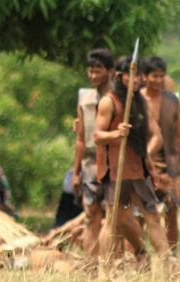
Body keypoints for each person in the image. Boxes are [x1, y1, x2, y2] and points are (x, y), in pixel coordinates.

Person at [94, 57, 171, 262]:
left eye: (138, 75)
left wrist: (151, 168)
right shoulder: (108, 101)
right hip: (116, 170)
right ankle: (106, 269)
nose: (136, 79)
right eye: (131, 75)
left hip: (138, 169)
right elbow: (97, 136)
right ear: (120, 77)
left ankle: (168, 262)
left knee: (153, 217)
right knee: (112, 220)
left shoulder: (140, 102)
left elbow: (149, 138)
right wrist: (115, 134)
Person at [141, 56, 180, 251]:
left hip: (170, 163)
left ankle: (172, 258)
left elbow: (178, 137)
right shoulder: (137, 100)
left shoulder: (172, 101)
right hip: (143, 161)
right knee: (137, 213)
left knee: (172, 211)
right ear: (145, 77)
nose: (158, 80)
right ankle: (137, 257)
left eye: (161, 76)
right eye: (154, 76)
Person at [73, 47, 113, 262]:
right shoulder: (84, 98)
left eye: (98, 71)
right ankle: (90, 264)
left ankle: (109, 262)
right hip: (90, 163)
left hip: (113, 162)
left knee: (114, 217)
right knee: (91, 216)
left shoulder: (119, 98)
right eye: (91, 71)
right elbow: (80, 139)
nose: (94, 76)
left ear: (110, 71)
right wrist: (76, 171)